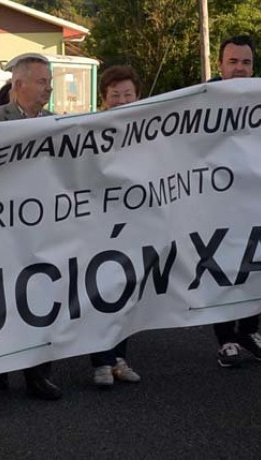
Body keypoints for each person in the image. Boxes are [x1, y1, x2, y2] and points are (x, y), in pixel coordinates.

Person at [0, 54, 63, 401]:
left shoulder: (54, 122)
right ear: (19, 85)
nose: (48, 87)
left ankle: (38, 374)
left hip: (40, 225)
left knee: (40, 295)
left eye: (49, 81)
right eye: (42, 81)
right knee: (1, 296)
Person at [207, 35, 261, 368]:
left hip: (256, 203)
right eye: (232, 62)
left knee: (257, 269)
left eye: (246, 62)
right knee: (221, 271)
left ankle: (250, 331)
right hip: (216, 205)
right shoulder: (198, 100)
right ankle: (225, 340)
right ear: (219, 65)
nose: (239, 68)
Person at [89, 65, 144, 388]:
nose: (122, 101)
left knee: (128, 293)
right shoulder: (91, 129)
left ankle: (118, 357)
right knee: (102, 291)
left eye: (128, 95)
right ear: (104, 99)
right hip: (98, 224)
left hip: (136, 224)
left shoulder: (153, 129)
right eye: (115, 96)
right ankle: (100, 361)